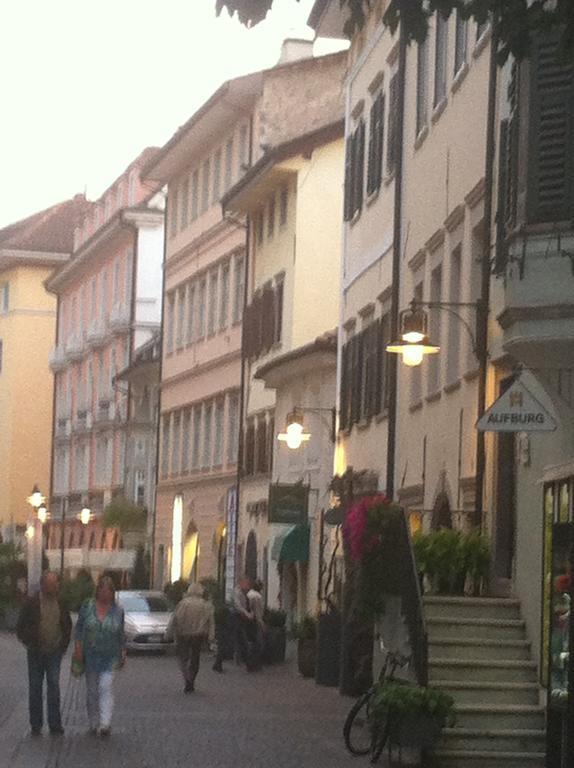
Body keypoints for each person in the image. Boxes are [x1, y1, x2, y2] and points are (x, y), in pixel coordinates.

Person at [16, 571, 72, 737]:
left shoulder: (61, 603)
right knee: (35, 688)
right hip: (35, 652)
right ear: (43, 585)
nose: (54, 587)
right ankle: (36, 724)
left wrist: (63, 645)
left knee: (54, 686)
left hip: (54, 652)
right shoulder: (32, 603)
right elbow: (20, 627)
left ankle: (55, 724)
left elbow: (67, 625)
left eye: (56, 584)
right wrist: (29, 641)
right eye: (51, 584)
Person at [73, 575, 125, 737]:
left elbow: (120, 633)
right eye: (103, 590)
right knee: (92, 691)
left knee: (105, 686)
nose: (105, 594)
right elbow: (79, 629)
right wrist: (78, 648)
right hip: (90, 656)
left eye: (109, 590)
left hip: (109, 656)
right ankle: (93, 721)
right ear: (98, 591)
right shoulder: (87, 607)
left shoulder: (118, 611)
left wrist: (123, 651)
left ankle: (105, 723)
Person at [167, 583, 215, 693]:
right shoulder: (206, 605)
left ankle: (186, 677)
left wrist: (169, 633)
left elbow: (175, 618)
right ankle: (192, 678)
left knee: (183, 657)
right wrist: (211, 636)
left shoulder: (183, 604)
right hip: (198, 634)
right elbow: (211, 622)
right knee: (195, 657)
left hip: (183, 634)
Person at [233, 576, 255, 670]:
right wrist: (247, 614)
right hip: (238, 618)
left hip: (244, 619)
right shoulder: (237, 592)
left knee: (241, 640)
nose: (248, 585)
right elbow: (238, 606)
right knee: (242, 639)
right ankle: (247, 663)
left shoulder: (246, 592)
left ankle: (241, 658)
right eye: (246, 583)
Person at [247, 580, 265, 669]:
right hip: (254, 621)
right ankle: (254, 663)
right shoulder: (257, 597)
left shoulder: (249, 594)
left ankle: (248, 661)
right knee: (257, 643)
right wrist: (261, 623)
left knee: (250, 641)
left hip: (247, 620)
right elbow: (258, 612)